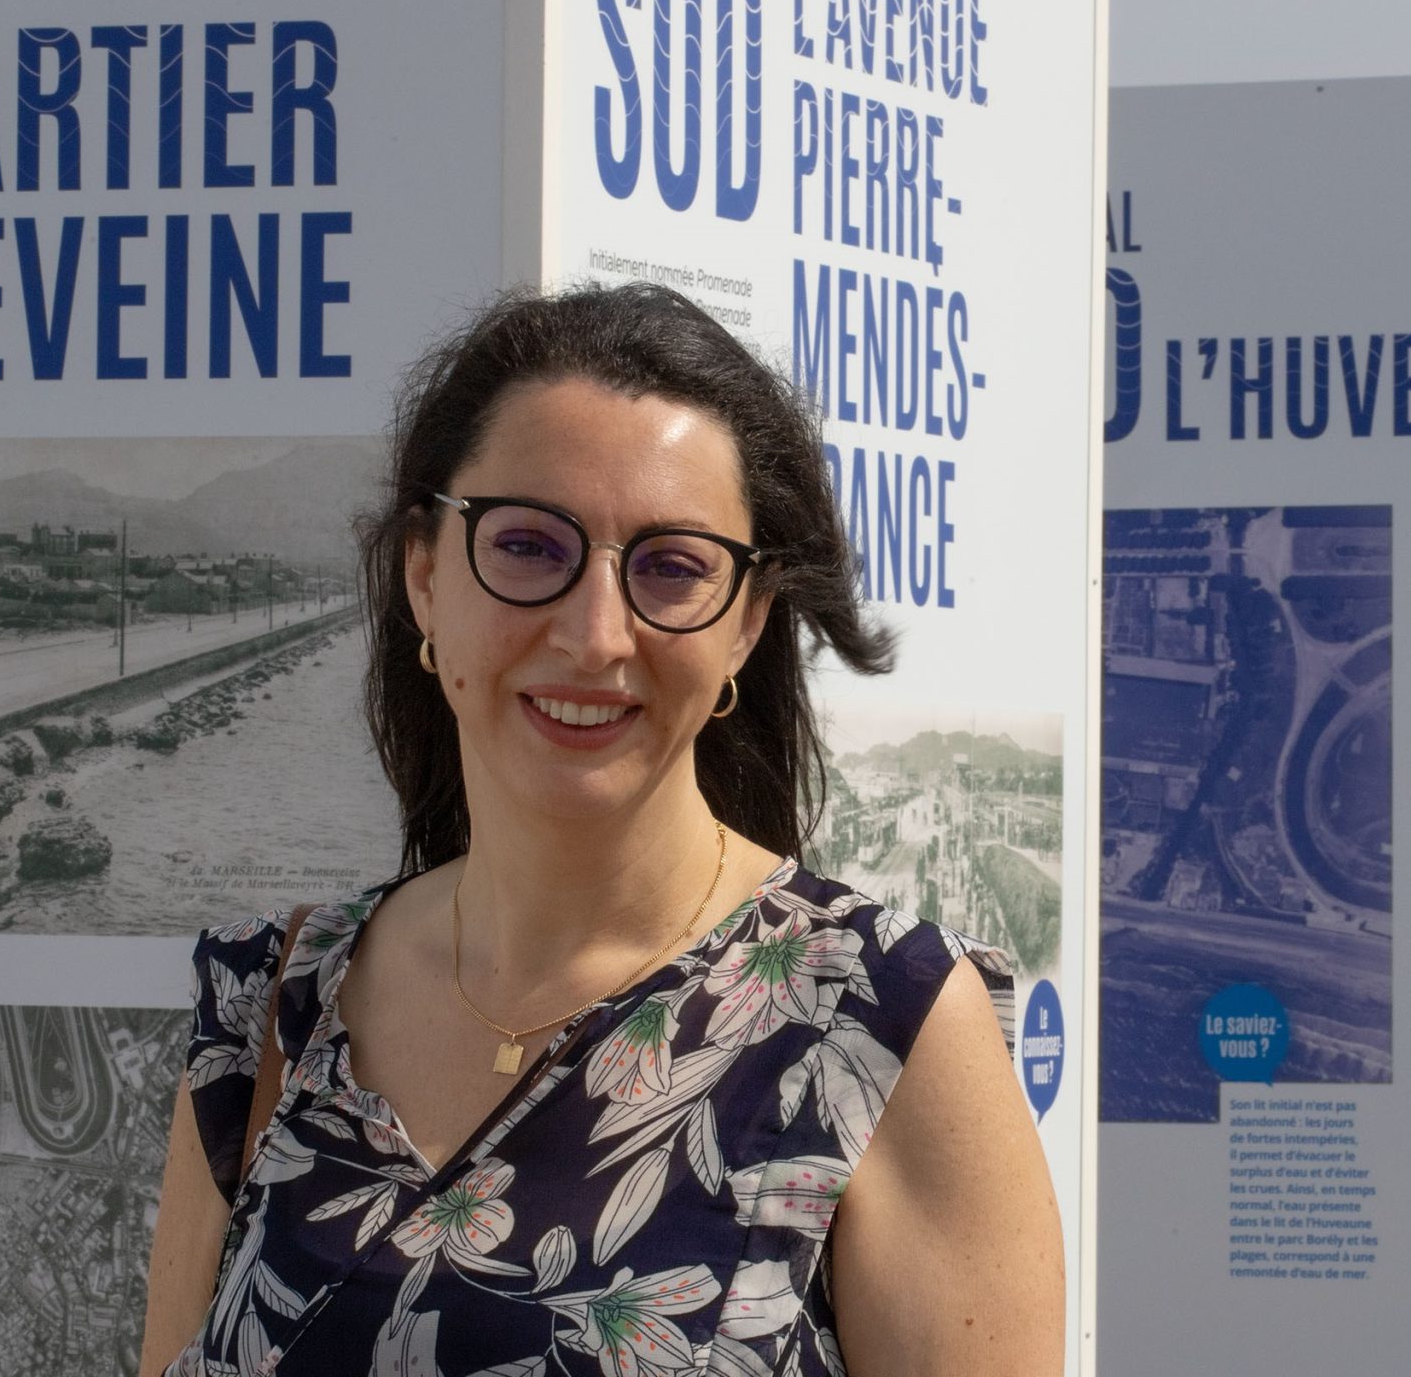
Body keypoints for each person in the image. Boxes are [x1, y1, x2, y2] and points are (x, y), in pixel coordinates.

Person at [139, 284, 1062, 1377]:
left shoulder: (880, 1023)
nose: (595, 633)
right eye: (530, 546)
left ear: (747, 624)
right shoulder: (272, 1010)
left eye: (673, 566)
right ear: (425, 576)